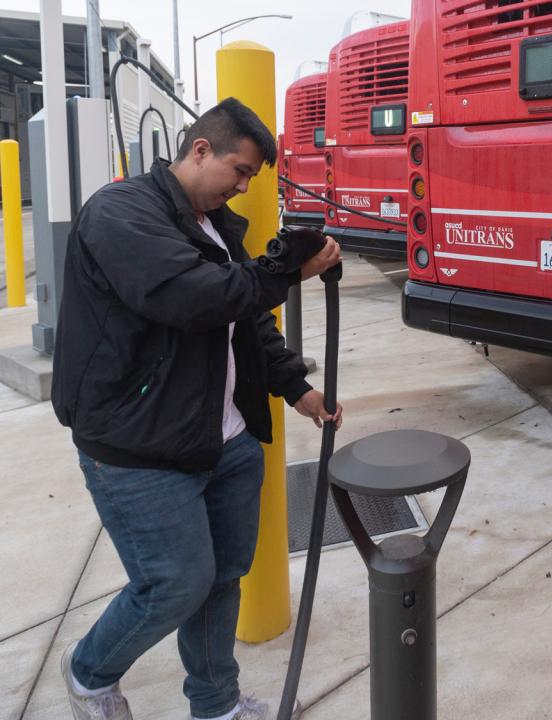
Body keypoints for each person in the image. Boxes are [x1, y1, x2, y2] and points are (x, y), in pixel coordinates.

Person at [50, 97, 343, 720]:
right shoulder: (121, 212)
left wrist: (296, 387)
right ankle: (89, 672)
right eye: (238, 171)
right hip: (140, 445)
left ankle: (216, 703)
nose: (242, 187)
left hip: (226, 440)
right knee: (173, 584)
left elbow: (245, 319)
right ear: (201, 149)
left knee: (221, 578)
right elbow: (192, 297)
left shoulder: (217, 225)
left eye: (251, 179)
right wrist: (284, 270)